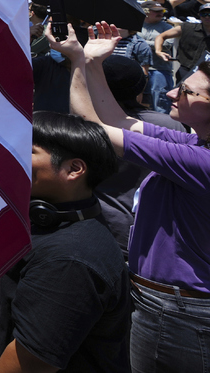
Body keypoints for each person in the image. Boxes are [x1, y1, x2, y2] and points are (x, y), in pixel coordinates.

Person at [51, 21, 210, 373]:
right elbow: (119, 120)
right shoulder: (196, 143)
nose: (171, 93)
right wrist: (93, 63)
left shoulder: (201, 160)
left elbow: (94, 129)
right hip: (173, 303)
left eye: (186, 91)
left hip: (179, 311)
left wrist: (76, 62)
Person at [0, 111, 129, 373]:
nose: (12, 155)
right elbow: (3, 272)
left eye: (28, 150)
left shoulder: (71, 259)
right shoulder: (42, 214)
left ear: (74, 169)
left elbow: (32, 359)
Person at [92, 55, 184, 258]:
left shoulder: (83, 123)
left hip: (98, 227)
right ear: (141, 88)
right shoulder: (169, 126)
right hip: (154, 232)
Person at [137, 0, 175, 113]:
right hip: (138, 68)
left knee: (161, 102)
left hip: (159, 69)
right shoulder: (136, 25)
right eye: (156, 11)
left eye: (161, 11)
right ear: (145, 12)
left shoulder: (168, 27)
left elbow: (167, 45)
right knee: (138, 100)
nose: (160, 13)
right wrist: (152, 43)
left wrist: (141, 42)